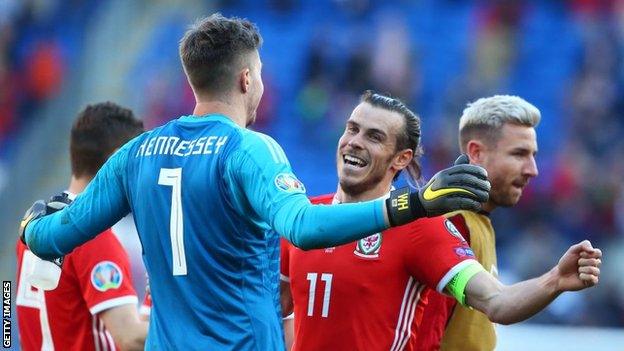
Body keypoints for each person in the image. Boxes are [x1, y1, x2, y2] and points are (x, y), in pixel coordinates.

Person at [18, 14, 490, 350]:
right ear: (246, 79)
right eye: (261, 74)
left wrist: (31, 226)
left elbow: (51, 237)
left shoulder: (136, 153)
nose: (262, 84)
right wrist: (414, 205)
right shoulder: (250, 150)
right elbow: (303, 226)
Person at [280, 91, 602, 351]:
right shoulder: (304, 218)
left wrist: (555, 280)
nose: (355, 141)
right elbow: (271, 311)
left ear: (401, 159)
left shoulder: (421, 228)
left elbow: (496, 301)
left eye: (374, 137)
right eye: (352, 129)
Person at [418, 95, 552, 351]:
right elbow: (424, 340)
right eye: (519, 154)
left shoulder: (479, 221)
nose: (532, 169)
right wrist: (556, 279)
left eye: (533, 155)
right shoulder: (453, 225)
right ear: (476, 153)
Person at [15, 102, 148, 351]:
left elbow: (10, 317)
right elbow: (131, 338)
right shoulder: (93, 236)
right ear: (117, 159)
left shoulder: (33, 226)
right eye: (136, 162)